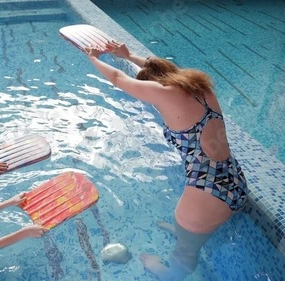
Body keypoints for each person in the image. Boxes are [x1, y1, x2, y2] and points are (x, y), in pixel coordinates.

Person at [83, 41, 248, 280]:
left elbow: (118, 79)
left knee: (185, 254)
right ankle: (188, 234)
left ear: (153, 84)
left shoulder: (166, 94)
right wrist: (129, 55)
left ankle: (166, 269)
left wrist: (93, 58)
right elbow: (164, 70)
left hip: (207, 195)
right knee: (190, 233)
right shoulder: (200, 88)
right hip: (234, 181)